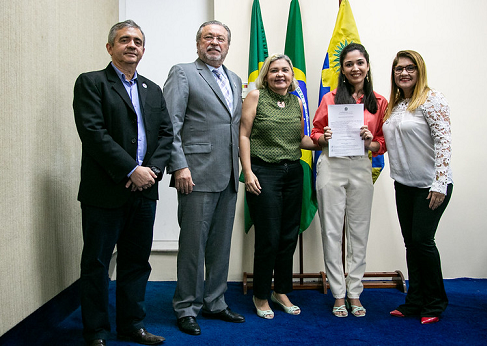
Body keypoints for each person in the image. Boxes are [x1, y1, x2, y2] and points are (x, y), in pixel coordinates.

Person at [73, 20, 172, 346]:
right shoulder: (91, 83)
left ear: (143, 50)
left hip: (145, 192)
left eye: (138, 41)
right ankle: (97, 331)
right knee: (97, 263)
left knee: (136, 263)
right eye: (124, 40)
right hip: (105, 190)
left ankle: (132, 325)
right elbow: (94, 133)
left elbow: (165, 135)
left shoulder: (153, 90)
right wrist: (131, 169)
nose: (132, 45)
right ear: (110, 47)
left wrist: (151, 171)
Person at [162, 20, 244, 336]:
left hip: (228, 174)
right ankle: (186, 307)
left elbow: (234, 126)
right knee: (193, 245)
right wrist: (179, 166)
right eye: (208, 37)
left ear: (227, 45)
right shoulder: (183, 73)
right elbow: (171, 123)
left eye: (220, 38)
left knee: (220, 245)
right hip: (195, 174)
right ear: (198, 44)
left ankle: (216, 302)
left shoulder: (235, 79)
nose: (214, 42)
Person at [239, 54, 319, 319]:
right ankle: (261, 294)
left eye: (285, 70)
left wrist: (328, 140)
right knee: (269, 237)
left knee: (287, 236)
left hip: (293, 173)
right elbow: (244, 134)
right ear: (266, 75)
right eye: (274, 70)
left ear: (291, 75)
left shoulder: (297, 101)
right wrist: (248, 172)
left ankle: (281, 291)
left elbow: (302, 140)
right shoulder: (255, 97)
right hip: (264, 172)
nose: (280, 75)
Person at [310, 43, 387, 318]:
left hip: (360, 165)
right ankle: (338, 293)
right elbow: (315, 134)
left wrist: (371, 142)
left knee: (358, 231)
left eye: (360, 63)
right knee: (331, 231)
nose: (355, 68)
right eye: (349, 64)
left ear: (367, 66)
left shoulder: (379, 102)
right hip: (332, 164)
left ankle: (355, 292)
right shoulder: (330, 98)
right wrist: (324, 137)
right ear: (342, 70)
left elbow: (382, 144)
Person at [383, 50, 453, 325]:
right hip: (404, 185)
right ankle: (414, 301)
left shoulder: (432, 100)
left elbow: (444, 142)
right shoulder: (397, 105)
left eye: (410, 68)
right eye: (399, 69)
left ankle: (435, 303)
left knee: (423, 242)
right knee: (412, 244)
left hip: (430, 185)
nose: (404, 73)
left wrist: (440, 183)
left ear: (420, 70)